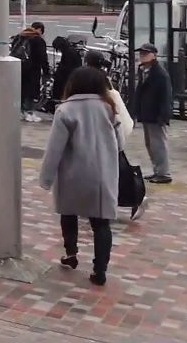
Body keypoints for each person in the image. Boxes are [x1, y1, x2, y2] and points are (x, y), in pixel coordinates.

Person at [39, 66, 121, 286]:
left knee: (69, 213)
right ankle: (100, 270)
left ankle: (71, 254)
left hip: (73, 174)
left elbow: (54, 148)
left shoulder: (66, 110)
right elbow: (120, 142)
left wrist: (45, 179)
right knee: (101, 223)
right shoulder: (109, 108)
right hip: (103, 174)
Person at [84, 50, 143, 220]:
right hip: (110, 134)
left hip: (104, 134)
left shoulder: (93, 80)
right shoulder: (104, 79)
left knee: (107, 174)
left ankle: (130, 199)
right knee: (111, 172)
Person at [132, 42, 173, 185]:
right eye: (141, 53)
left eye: (145, 53)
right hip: (147, 113)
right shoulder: (143, 70)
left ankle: (163, 173)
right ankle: (157, 171)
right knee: (150, 144)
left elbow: (166, 96)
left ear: (153, 55)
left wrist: (163, 116)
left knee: (158, 144)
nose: (142, 56)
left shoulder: (160, 74)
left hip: (156, 115)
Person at [13, 21, 50, 123]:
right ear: (40, 30)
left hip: (19, 66)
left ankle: (20, 111)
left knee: (21, 89)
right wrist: (46, 72)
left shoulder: (20, 36)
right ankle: (29, 113)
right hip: (33, 69)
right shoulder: (38, 40)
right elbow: (43, 58)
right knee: (32, 91)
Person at [49, 37, 83, 112]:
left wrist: (57, 73)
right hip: (72, 75)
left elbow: (66, 67)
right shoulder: (71, 51)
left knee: (60, 91)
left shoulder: (68, 53)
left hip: (67, 77)